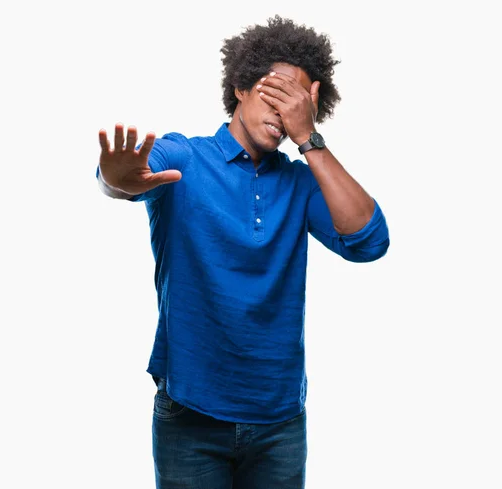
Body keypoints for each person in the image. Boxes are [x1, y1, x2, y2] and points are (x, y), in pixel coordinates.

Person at [96, 14, 389, 489]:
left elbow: (370, 241)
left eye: (300, 105)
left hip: (279, 421)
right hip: (190, 415)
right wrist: (119, 179)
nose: (285, 113)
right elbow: (129, 177)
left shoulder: (299, 184)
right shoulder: (186, 157)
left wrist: (308, 139)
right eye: (277, 95)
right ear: (240, 87)